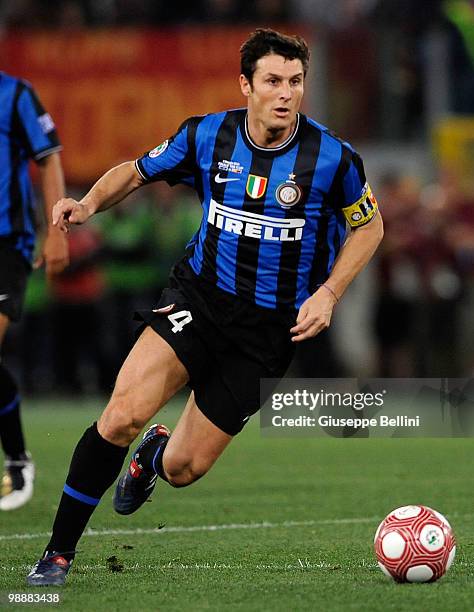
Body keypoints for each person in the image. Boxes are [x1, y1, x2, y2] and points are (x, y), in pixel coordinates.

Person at [27, 28, 383, 585]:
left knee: (185, 469)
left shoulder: (334, 159)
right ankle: (57, 553)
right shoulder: (206, 135)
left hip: (269, 331)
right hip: (199, 298)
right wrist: (89, 203)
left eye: (295, 81)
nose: (286, 93)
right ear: (246, 84)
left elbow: (370, 227)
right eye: (272, 81)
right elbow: (138, 170)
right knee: (121, 415)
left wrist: (329, 292)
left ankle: (155, 458)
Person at [0, 72, 68, 511]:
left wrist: (56, 230)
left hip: (6, 244)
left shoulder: (15, 94)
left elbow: (49, 158)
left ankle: (17, 459)